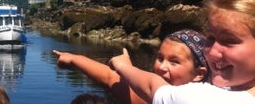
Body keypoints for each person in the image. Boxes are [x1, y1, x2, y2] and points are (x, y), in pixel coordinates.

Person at [108, 0, 255, 103]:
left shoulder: (203, 98)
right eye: (210, 37)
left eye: (229, 41)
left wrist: (123, 66)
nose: (212, 52)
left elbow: (152, 87)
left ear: (200, 73)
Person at [54, 29, 208, 104]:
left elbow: (111, 77)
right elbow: (110, 78)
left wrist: (124, 67)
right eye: (160, 58)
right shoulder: (150, 99)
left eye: (174, 62)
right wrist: (73, 58)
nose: (161, 67)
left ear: (199, 74)